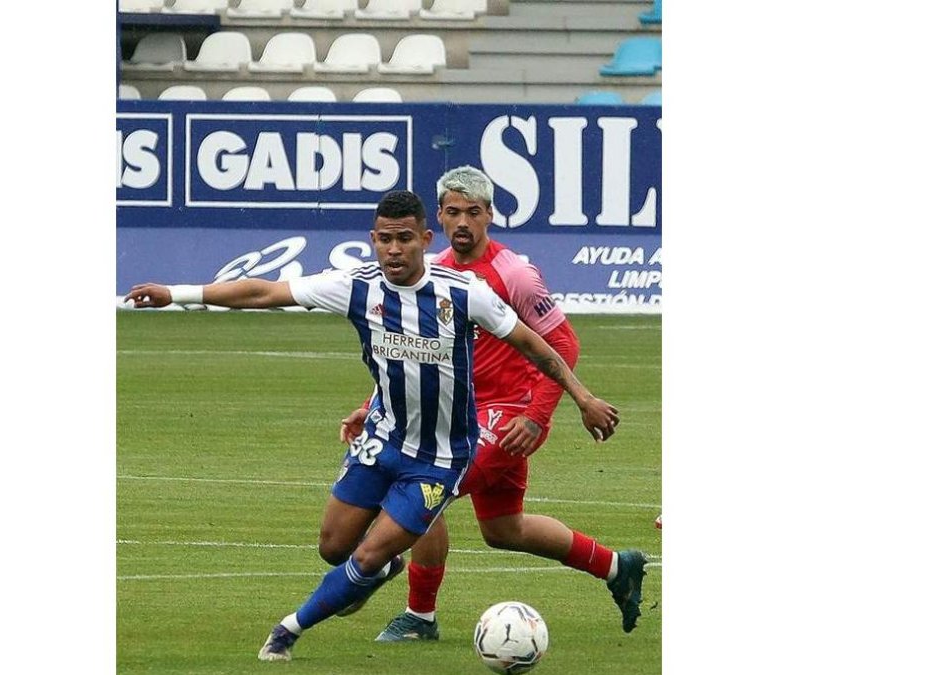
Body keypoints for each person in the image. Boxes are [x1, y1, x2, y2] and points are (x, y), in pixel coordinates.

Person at [124, 190, 621, 662]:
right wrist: (176, 292)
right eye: (384, 239)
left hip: (439, 458)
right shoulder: (357, 286)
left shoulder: (465, 294)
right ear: (373, 239)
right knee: (333, 547)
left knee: (366, 553)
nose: (394, 249)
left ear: (426, 240)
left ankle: (287, 630)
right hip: (382, 440)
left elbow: (535, 344)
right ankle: (383, 568)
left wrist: (582, 398)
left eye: (404, 238)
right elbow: (264, 291)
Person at [338, 167, 648, 642]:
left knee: (426, 488)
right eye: (454, 212)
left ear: (490, 216)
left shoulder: (514, 273)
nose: (463, 222)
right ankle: (616, 567)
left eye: (474, 213)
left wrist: (537, 414)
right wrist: (371, 405)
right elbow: (413, 355)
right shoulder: (433, 270)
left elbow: (562, 343)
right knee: (504, 528)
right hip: (459, 416)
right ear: (438, 216)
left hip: (509, 415)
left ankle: (418, 616)